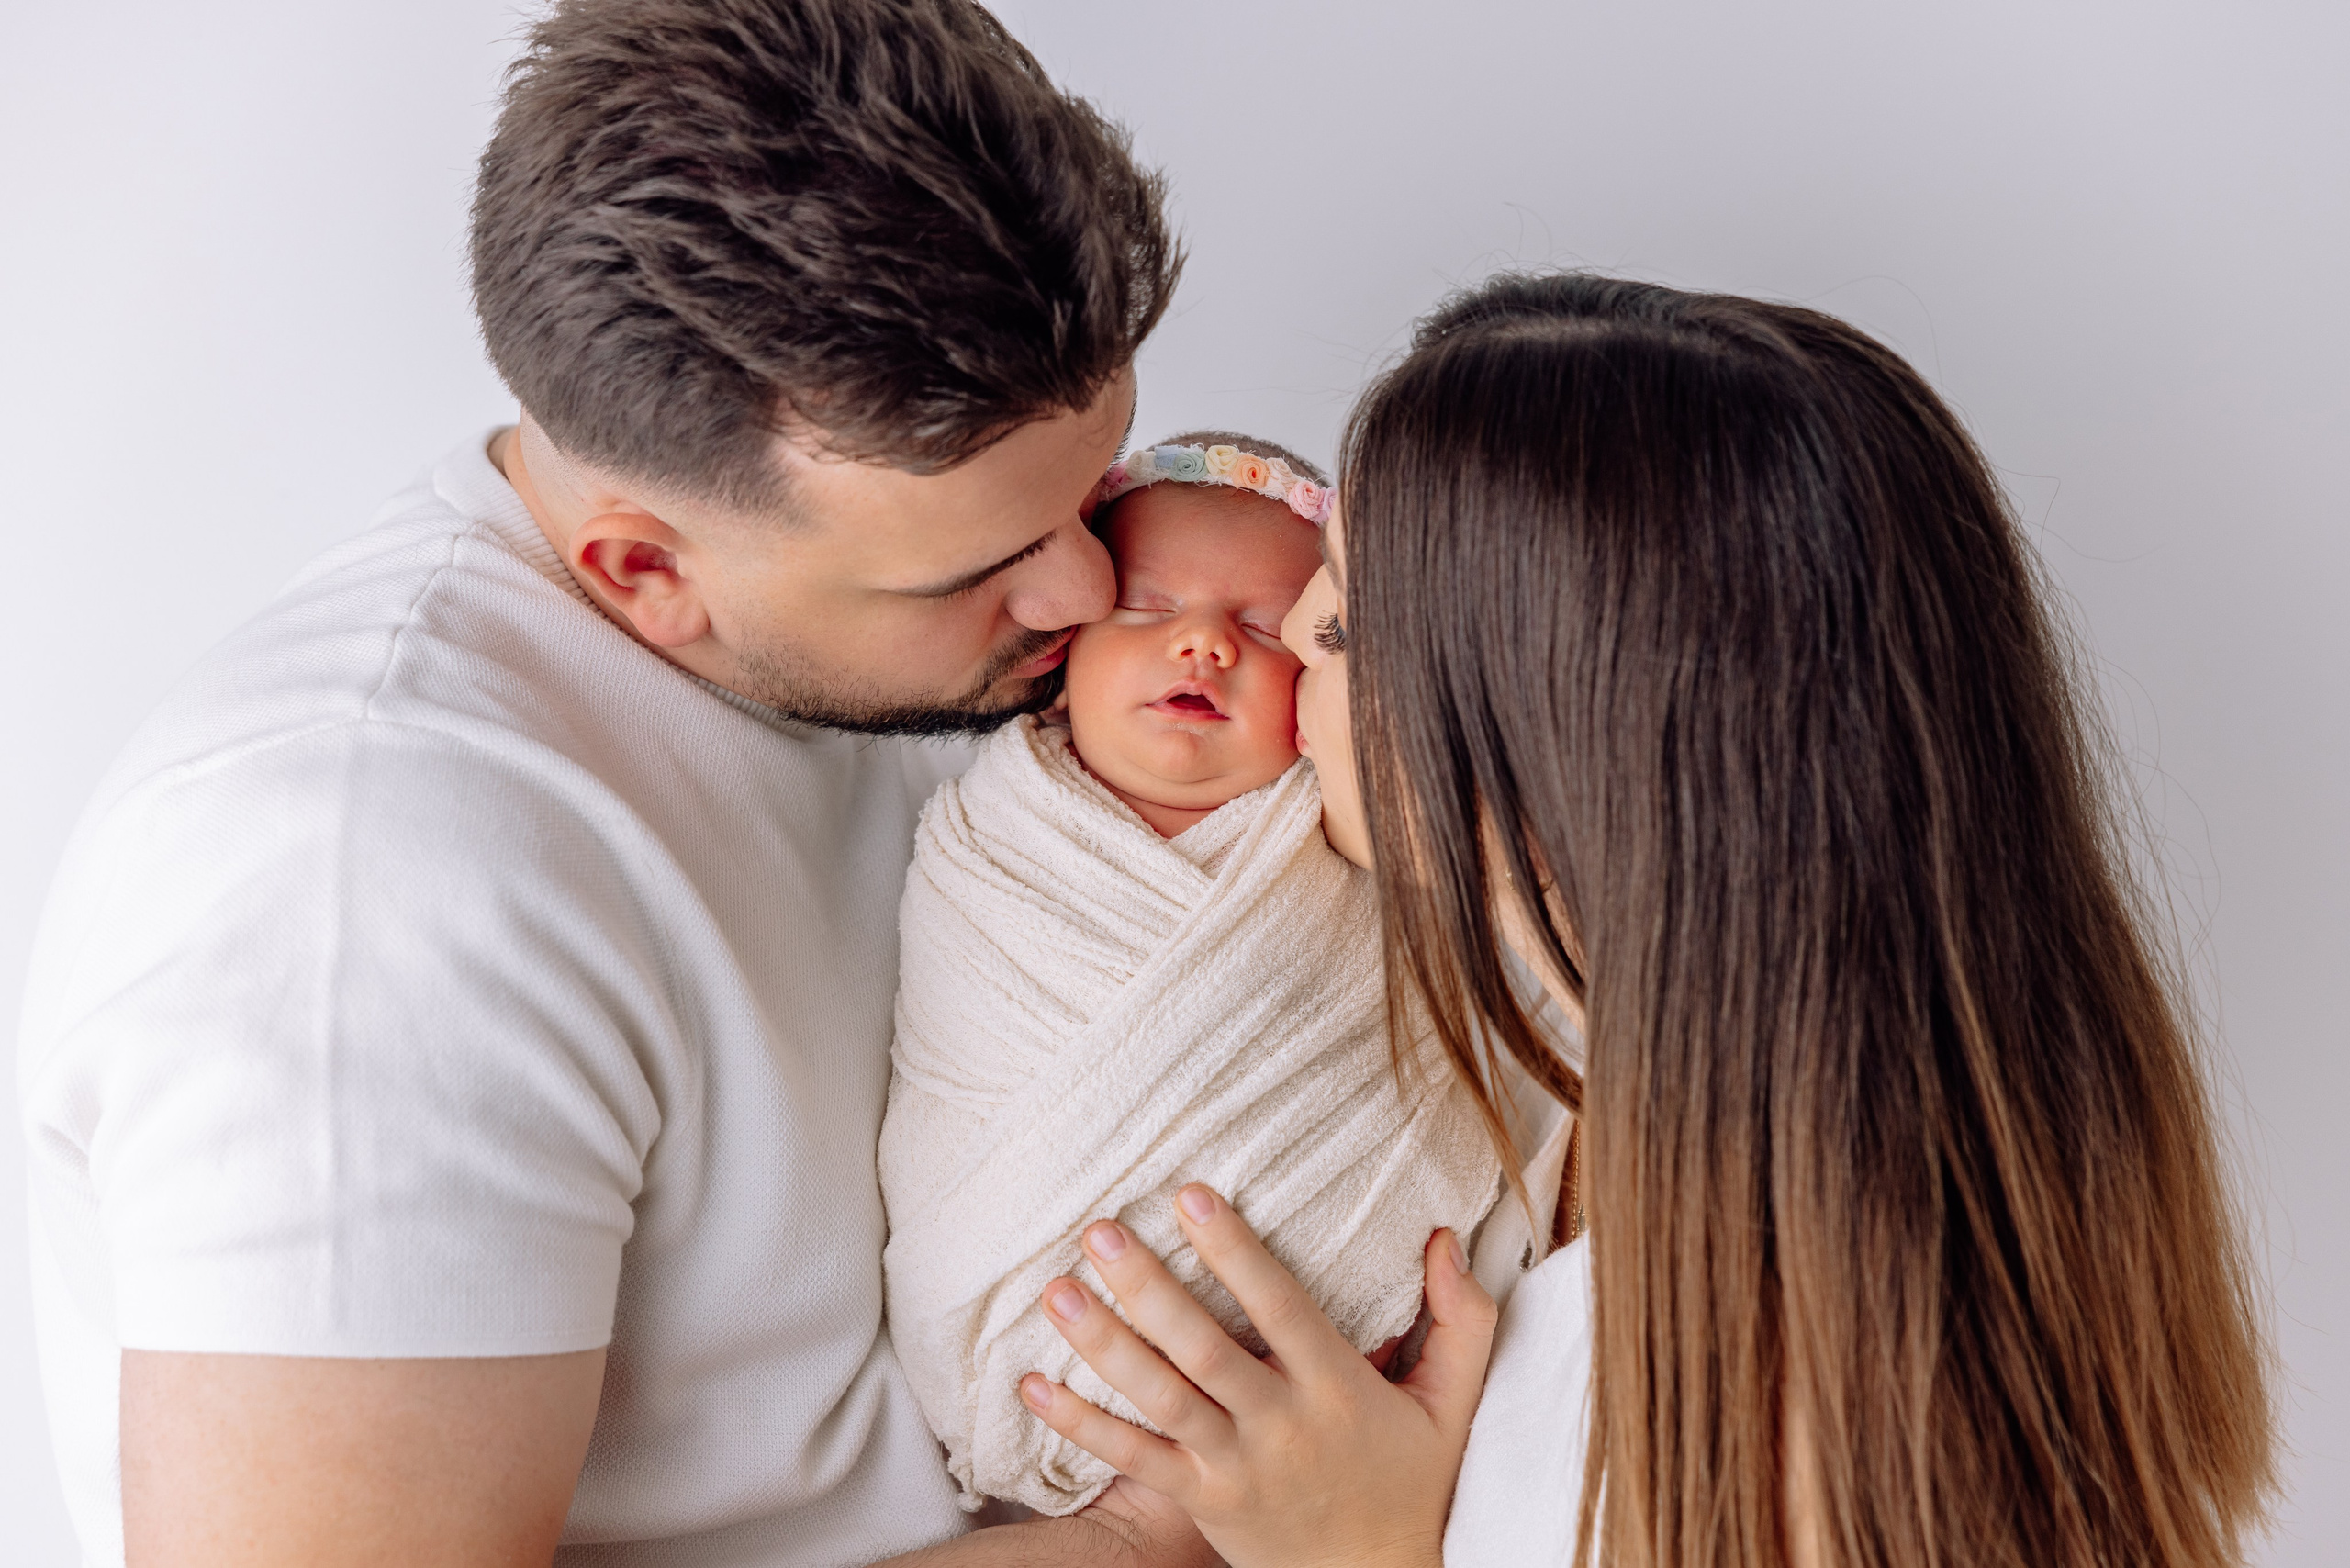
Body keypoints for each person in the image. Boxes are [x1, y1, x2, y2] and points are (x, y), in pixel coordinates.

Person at [16, 2, 1217, 1564]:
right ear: (646, 570)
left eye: (1094, 489)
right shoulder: (363, 883)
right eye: (987, 565)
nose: (1085, 590)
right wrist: (1171, 1533)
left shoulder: (887, 645)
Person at [1015, 273, 2279, 1568]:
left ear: (1554, 754)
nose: (1286, 633)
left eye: (1346, 621)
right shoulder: (1546, 1087)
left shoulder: (1835, 1406)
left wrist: (1367, 1556)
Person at [878, 434, 1499, 1515]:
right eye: (1146, 607)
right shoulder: (989, 840)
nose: (1204, 643)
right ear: (1059, 657)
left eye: (1266, 629)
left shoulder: (1351, 846)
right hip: (1020, 1319)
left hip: (1326, 1401)